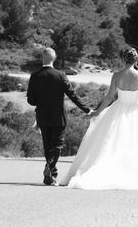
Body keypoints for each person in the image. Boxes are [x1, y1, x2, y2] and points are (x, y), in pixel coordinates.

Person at [63, 47, 138, 190]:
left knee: (110, 144)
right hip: (136, 110)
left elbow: (109, 97)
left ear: (123, 59)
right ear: (136, 60)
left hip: (117, 110)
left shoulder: (117, 75)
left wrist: (96, 112)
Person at [27, 47, 92, 186]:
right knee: (57, 145)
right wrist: (86, 109)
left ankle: (51, 175)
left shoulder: (34, 76)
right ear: (54, 58)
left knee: (47, 145)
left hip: (42, 117)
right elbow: (72, 95)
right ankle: (50, 168)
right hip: (58, 117)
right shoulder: (60, 75)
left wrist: (41, 100)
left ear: (42, 58)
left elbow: (31, 101)